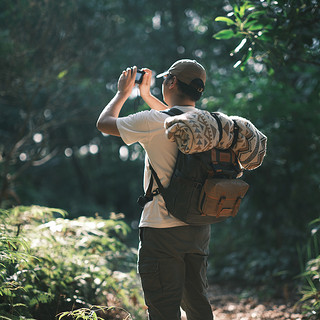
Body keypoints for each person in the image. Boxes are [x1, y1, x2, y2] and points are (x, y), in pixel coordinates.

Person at [96, 59, 214, 320]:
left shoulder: (151, 121)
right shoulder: (208, 122)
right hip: (198, 226)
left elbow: (104, 123)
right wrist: (147, 95)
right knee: (197, 304)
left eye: (164, 80)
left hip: (161, 230)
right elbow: (172, 116)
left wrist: (123, 93)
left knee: (163, 309)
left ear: (172, 82)